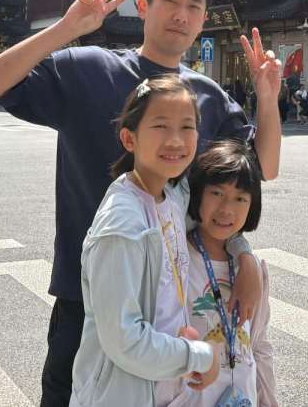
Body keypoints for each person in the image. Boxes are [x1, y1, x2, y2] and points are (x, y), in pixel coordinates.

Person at [0, 0, 282, 407]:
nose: (181, 15)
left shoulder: (209, 98)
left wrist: (267, 98)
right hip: (87, 300)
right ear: (143, 6)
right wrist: (66, 28)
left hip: (175, 306)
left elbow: (258, 170)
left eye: (194, 6)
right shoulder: (90, 69)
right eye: (170, 0)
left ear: (203, 21)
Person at [72, 76, 225, 405]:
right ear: (129, 138)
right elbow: (124, 340)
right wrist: (199, 356)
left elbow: (222, 216)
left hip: (164, 390)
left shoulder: (170, 196)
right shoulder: (122, 225)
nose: (175, 140)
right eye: (160, 126)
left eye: (187, 127)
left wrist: (244, 254)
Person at [182, 138, 278, 407]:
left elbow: (258, 345)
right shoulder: (179, 259)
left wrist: (268, 400)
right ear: (198, 193)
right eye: (216, 193)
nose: (226, 209)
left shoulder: (251, 269)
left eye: (240, 199)